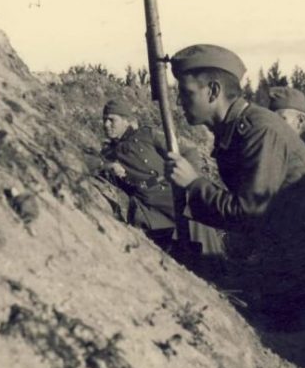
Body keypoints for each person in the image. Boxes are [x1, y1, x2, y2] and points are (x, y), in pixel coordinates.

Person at [164, 44, 305, 331]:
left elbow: (249, 212)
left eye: (186, 92)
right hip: (296, 259)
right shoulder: (238, 128)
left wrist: (194, 185)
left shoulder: (259, 130)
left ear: (212, 91)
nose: (180, 101)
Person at [91, 98, 225, 269]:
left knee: (196, 214)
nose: (106, 124)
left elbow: (188, 151)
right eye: (104, 120)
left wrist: (188, 180)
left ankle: (215, 269)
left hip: (170, 188)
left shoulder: (148, 135)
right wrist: (109, 166)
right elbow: (87, 162)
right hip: (147, 203)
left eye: (112, 120)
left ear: (126, 121)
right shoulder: (108, 152)